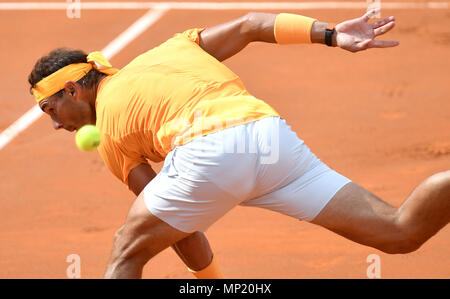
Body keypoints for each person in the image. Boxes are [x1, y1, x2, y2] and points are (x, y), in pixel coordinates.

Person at [28, 9, 449, 279]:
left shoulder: (113, 141)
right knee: (399, 231)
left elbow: (180, 231)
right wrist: (331, 34)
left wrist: (213, 285)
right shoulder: (171, 48)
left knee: (127, 249)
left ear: (72, 91)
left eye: (49, 110)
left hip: (209, 150)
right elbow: (251, 26)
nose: (54, 125)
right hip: (271, 139)